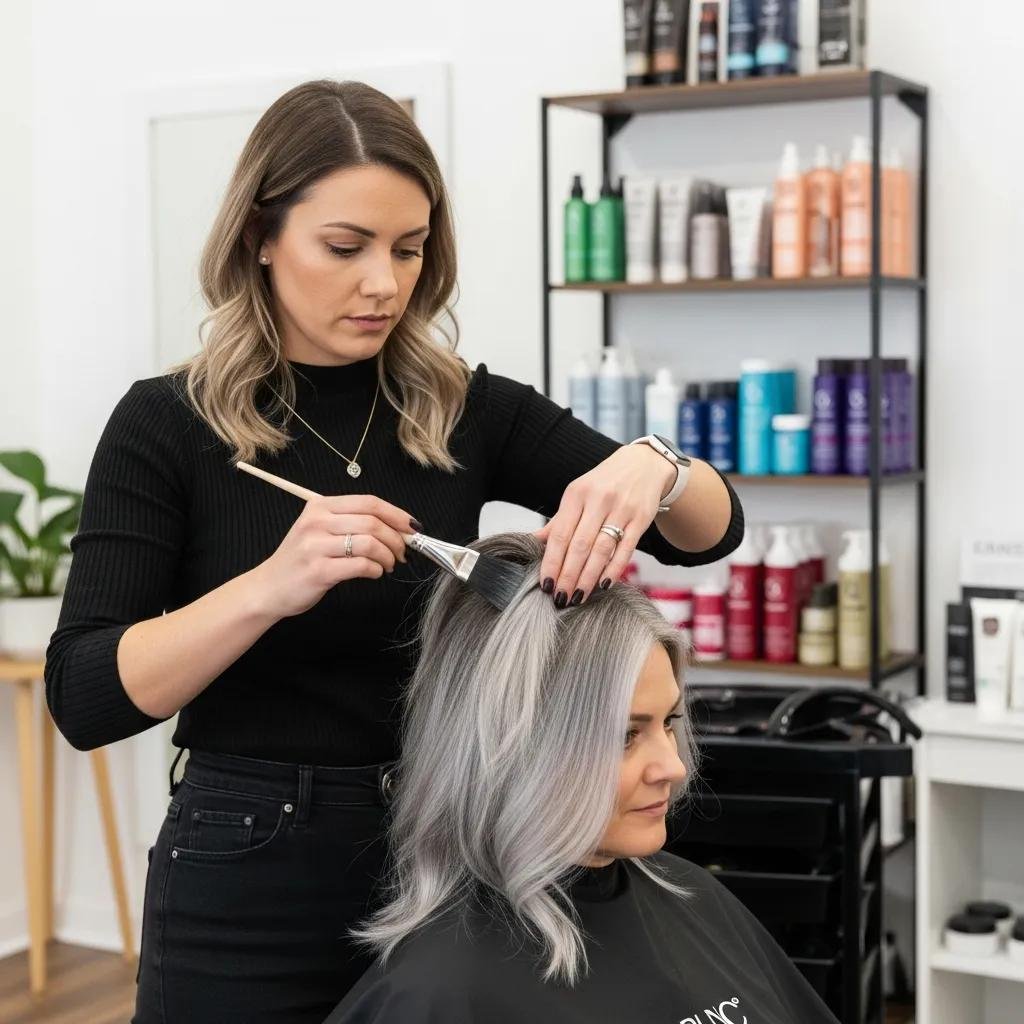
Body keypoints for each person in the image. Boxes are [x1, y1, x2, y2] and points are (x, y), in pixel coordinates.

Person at [43, 80, 743, 1023]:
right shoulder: (167, 426)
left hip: (450, 854)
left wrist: (656, 466)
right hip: (247, 867)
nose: (384, 282)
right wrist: (270, 588)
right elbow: (85, 696)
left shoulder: (463, 409)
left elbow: (710, 531)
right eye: (346, 247)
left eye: (408, 249)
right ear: (259, 234)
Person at [325, 533, 839, 1024]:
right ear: (517, 750)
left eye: (669, 722)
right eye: (625, 736)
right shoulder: (441, 993)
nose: (674, 767)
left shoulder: (694, 897)